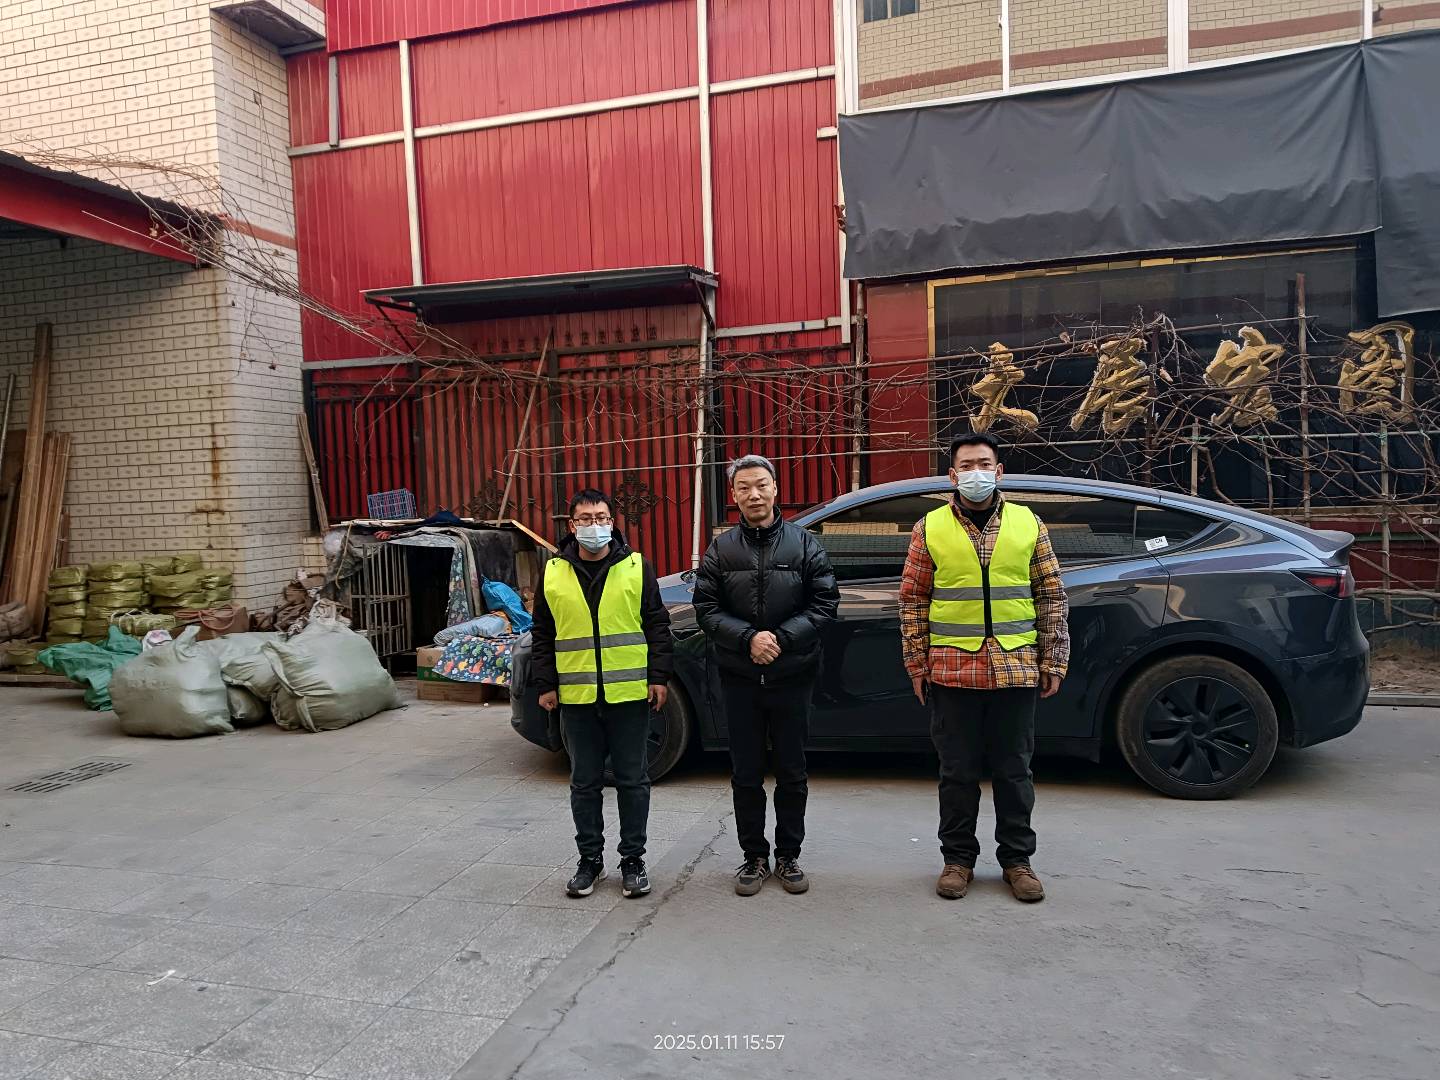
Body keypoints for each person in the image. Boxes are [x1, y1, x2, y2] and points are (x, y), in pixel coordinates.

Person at [898, 432, 1070, 903]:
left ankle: (1017, 862)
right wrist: (917, 663)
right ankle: (958, 861)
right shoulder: (929, 527)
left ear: (999, 471)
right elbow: (912, 600)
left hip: (1015, 667)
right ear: (953, 476)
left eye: (984, 464)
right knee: (957, 774)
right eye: (967, 465)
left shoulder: (1028, 523)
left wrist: (1054, 657)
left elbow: (1050, 594)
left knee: (1015, 773)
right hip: (953, 670)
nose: (976, 472)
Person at [694, 454, 839, 897]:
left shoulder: (805, 545)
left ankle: (789, 855)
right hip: (739, 678)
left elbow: (824, 603)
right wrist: (747, 639)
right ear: (734, 495)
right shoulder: (721, 550)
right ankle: (754, 856)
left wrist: (779, 639)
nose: (753, 494)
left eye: (761, 485)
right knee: (746, 773)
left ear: (775, 489)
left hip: (792, 675)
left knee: (792, 771)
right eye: (744, 488)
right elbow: (706, 609)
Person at [531, 489, 673, 900]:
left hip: (628, 694)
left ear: (612, 521)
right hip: (576, 698)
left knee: (633, 781)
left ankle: (633, 861)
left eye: (601, 517)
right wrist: (546, 684)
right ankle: (590, 861)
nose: (594, 525)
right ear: (572, 525)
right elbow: (542, 631)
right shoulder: (552, 571)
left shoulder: (636, 566)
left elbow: (656, 625)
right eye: (586, 519)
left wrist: (659, 677)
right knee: (584, 784)